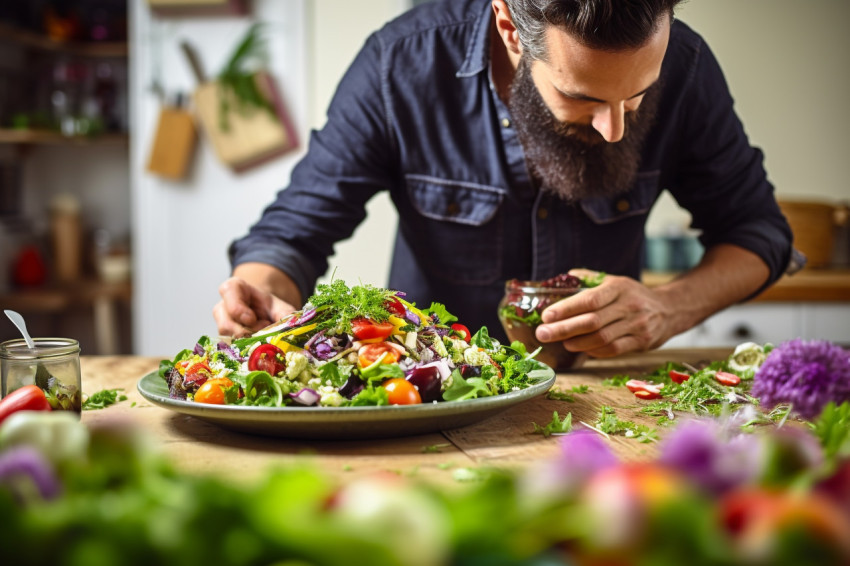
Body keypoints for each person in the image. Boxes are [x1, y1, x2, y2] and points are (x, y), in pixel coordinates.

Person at [214, 0, 793, 359]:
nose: (615, 130)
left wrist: (671, 307)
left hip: (608, 408)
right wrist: (261, 294)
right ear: (510, 25)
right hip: (430, 400)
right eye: (582, 96)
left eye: (637, 97)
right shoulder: (400, 65)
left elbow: (759, 232)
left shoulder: (688, 67)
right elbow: (294, 231)